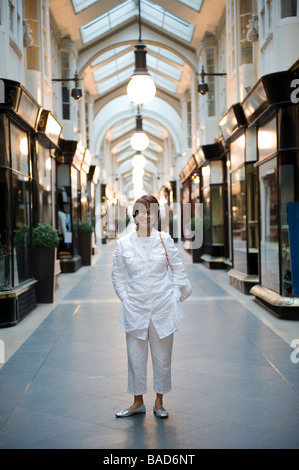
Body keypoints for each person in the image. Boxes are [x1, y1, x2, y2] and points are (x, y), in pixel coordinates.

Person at [111, 195, 191, 418]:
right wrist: (126, 299)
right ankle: (137, 402)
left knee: (162, 358)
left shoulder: (165, 240)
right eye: (142, 211)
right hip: (134, 308)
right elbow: (117, 276)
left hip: (163, 307)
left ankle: (159, 402)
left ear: (157, 216)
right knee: (135, 358)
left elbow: (179, 271)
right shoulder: (123, 243)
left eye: (152, 212)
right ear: (135, 214)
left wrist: (174, 297)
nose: (147, 215)